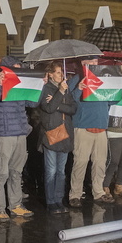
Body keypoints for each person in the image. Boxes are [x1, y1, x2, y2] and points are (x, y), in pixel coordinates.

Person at [0, 57, 37, 221]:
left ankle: (15, 205)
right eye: (15, 69)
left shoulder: (19, 87)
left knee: (16, 172)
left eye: (19, 69)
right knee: (1, 173)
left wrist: (39, 86)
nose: (18, 72)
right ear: (4, 70)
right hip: (4, 136)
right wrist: (0, 86)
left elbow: (33, 103)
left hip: (20, 134)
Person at [67, 59, 112, 207]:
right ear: (82, 63)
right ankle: (75, 194)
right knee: (80, 162)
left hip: (101, 126)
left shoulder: (104, 79)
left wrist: (121, 89)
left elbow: (113, 101)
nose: (91, 64)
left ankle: (98, 192)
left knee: (100, 162)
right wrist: (79, 88)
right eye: (88, 62)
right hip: (83, 126)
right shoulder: (76, 79)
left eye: (94, 61)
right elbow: (70, 100)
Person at [38, 62, 76, 213]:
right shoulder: (45, 88)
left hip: (65, 134)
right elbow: (48, 108)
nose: (62, 76)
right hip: (52, 134)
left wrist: (59, 104)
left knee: (61, 171)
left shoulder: (66, 89)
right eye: (59, 73)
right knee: (51, 170)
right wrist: (59, 93)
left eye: (62, 73)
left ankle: (59, 200)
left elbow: (73, 108)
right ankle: (51, 201)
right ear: (51, 74)